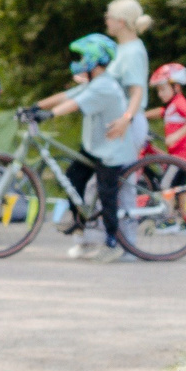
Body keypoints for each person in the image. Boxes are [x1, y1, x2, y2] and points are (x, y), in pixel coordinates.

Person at [37, 34, 133, 264]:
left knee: (106, 192)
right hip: (94, 147)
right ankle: (80, 227)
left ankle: (112, 242)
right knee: (72, 179)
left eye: (82, 56)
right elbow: (67, 95)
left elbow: (74, 104)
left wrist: (49, 115)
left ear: (94, 59)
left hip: (111, 150)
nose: (79, 61)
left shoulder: (105, 87)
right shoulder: (94, 83)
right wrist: (35, 106)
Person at [101, 0, 151, 154]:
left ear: (121, 22)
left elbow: (137, 91)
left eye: (108, 17)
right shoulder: (122, 48)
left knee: (118, 178)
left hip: (128, 124)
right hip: (118, 121)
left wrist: (126, 119)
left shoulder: (132, 52)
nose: (106, 21)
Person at [149, 62, 186, 164]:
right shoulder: (172, 105)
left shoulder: (179, 103)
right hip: (176, 153)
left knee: (169, 180)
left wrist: (175, 136)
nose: (160, 94)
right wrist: (142, 115)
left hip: (182, 154)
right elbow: (162, 112)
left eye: (163, 89)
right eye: (158, 90)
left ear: (176, 87)